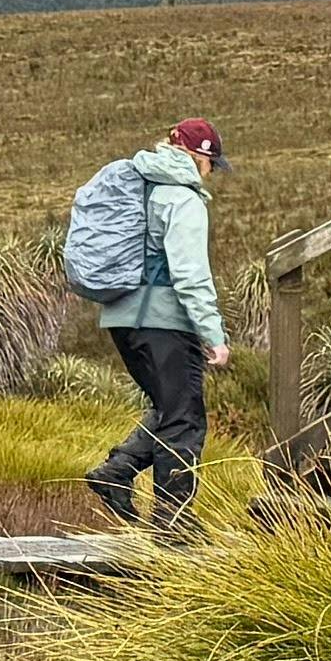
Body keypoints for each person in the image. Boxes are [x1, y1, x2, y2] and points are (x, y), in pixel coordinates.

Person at [79, 117, 231, 530]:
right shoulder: (182, 200)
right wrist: (213, 334)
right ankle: (173, 519)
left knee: (169, 408)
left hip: (122, 318)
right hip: (164, 321)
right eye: (212, 164)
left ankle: (117, 472)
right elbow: (190, 274)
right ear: (199, 156)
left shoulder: (138, 184)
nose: (212, 174)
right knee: (185, 418)